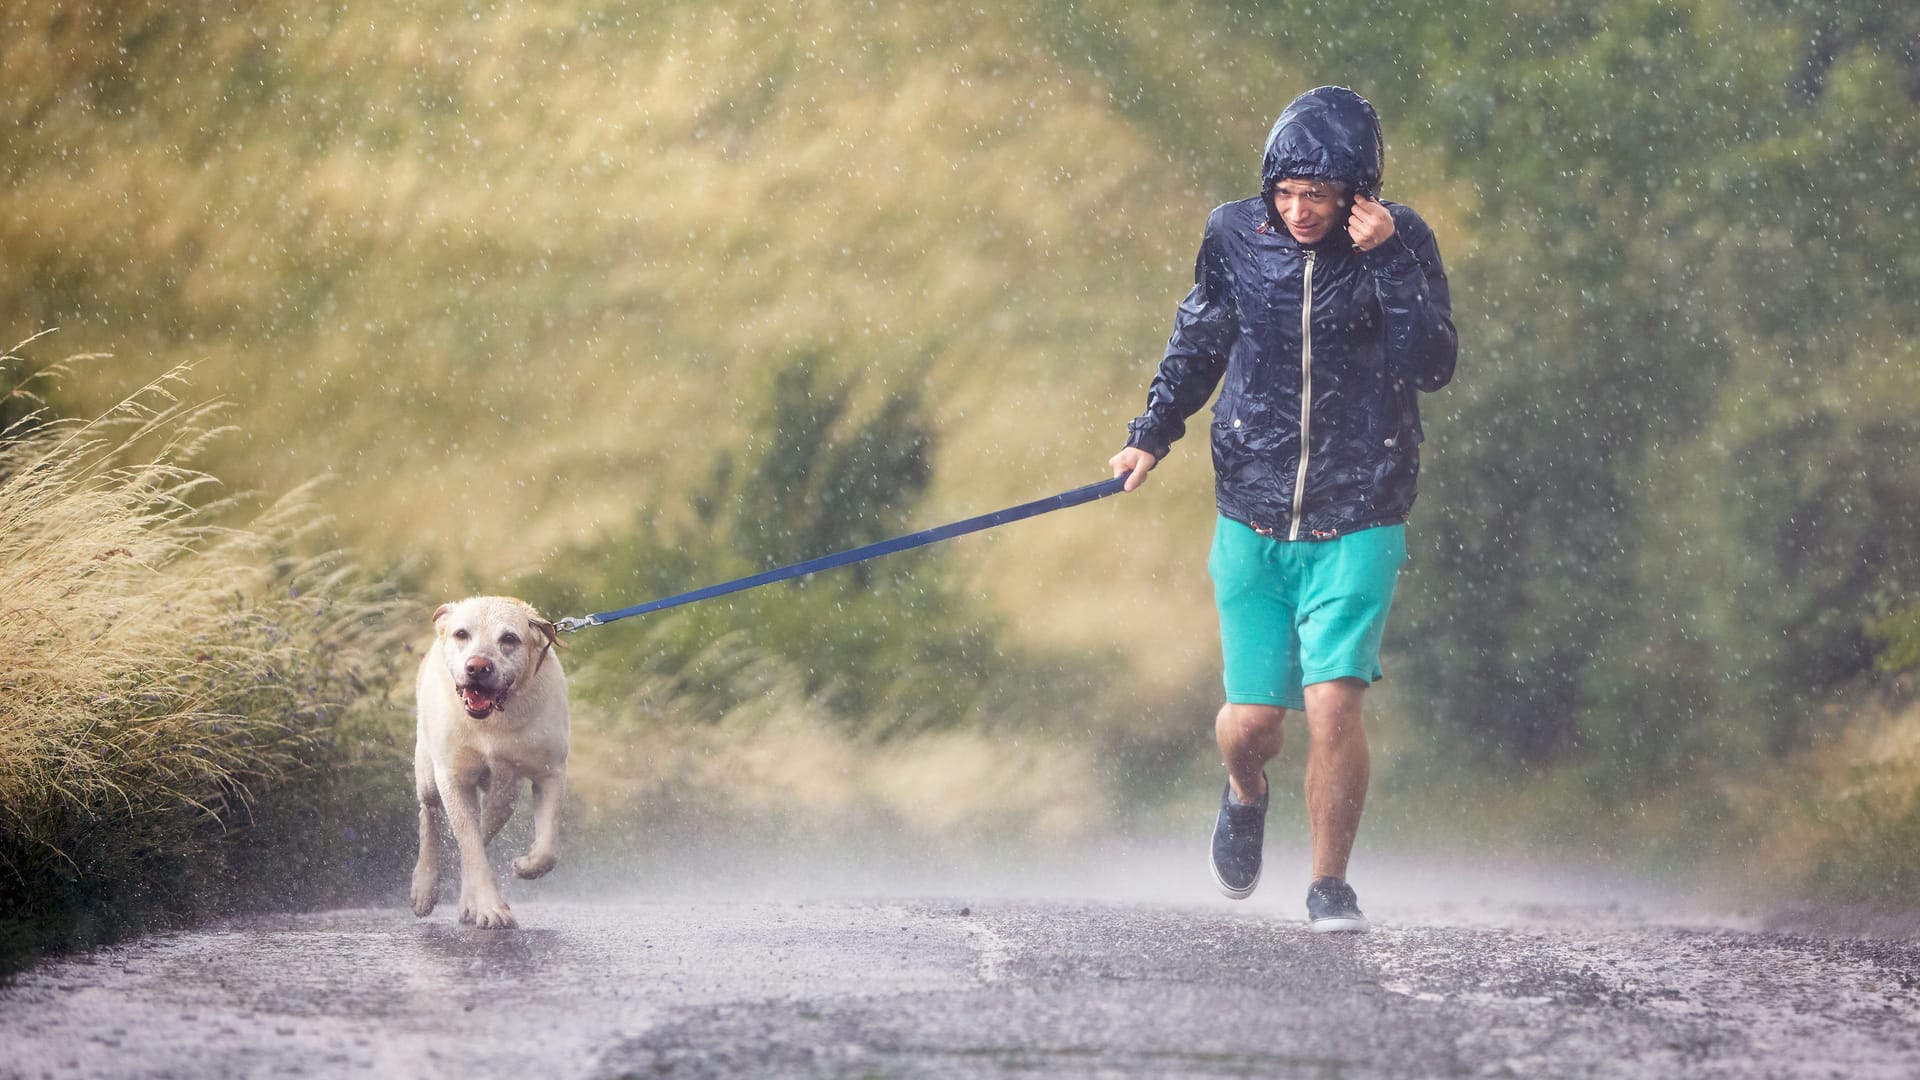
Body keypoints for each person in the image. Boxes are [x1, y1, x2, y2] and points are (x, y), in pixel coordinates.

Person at [1109, 86, 1456, 933]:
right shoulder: (1235, 233)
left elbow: (1433, 362)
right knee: (1254, 724)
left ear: (1356, 193)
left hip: (1361, 507)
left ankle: (1329, 884)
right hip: (1254, 506)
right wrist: (1151, 434)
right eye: (1287, 194)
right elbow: (1200, 336)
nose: (1299, 211)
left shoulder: (1400, 240)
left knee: (1335, 703)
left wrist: (1388, 264)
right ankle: (1244, 790)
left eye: (1319, 196)